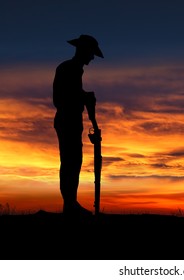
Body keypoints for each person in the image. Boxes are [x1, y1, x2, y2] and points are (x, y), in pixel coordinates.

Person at [53, 34, 103, 216]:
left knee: (73, 161)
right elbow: (61, 98)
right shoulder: (70, 69)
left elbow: (73, 93)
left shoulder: (73, 69)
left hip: (71, 120)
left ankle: (70, 203)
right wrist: (84, 97)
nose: (92, 58)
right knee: (70, 162)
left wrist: (85, 97)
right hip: (67, 120)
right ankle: (70, 205)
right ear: (85, 50)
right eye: (91, 53)